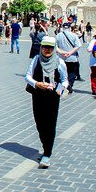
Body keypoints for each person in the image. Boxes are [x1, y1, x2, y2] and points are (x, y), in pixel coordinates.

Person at [25, 36, 68, 169]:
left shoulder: (59, 62)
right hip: (37, 95)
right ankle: (45, 147)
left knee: (50, 124)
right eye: (44, 47)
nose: (47, 50)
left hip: (52, 97)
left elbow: (65, 80)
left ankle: (47, 154)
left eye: (50, 47)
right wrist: (37, 83)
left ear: (54, 49)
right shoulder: (36, 59)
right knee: (39, 123)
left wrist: (59, 89)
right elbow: (28, 76)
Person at [56, 22, 82, 94]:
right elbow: (78, 45)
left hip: (61, 58)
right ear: (70, 28)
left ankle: (62, 88)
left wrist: (61, 52)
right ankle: (69, 86)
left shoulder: (58, 36)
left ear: (62, 27)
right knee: (72, 73)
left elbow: (55, 46)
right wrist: (70, 53)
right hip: (72, 57)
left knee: (62, 74)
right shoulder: (74, 35)